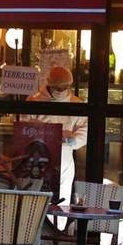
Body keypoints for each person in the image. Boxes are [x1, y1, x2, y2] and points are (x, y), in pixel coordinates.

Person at [23, 66, 88, 228]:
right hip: (38, 156)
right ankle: (32, 230)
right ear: (50, 84)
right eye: (58, 87)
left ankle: (57, 231)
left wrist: (73, 140)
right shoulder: (34, 102)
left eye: (64, 87)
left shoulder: (76, 104)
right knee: (35, 195)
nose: (61, 90)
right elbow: (25, 126)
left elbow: (86, 128)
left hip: (64, 157)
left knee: (61, 197)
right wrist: (42, 133)